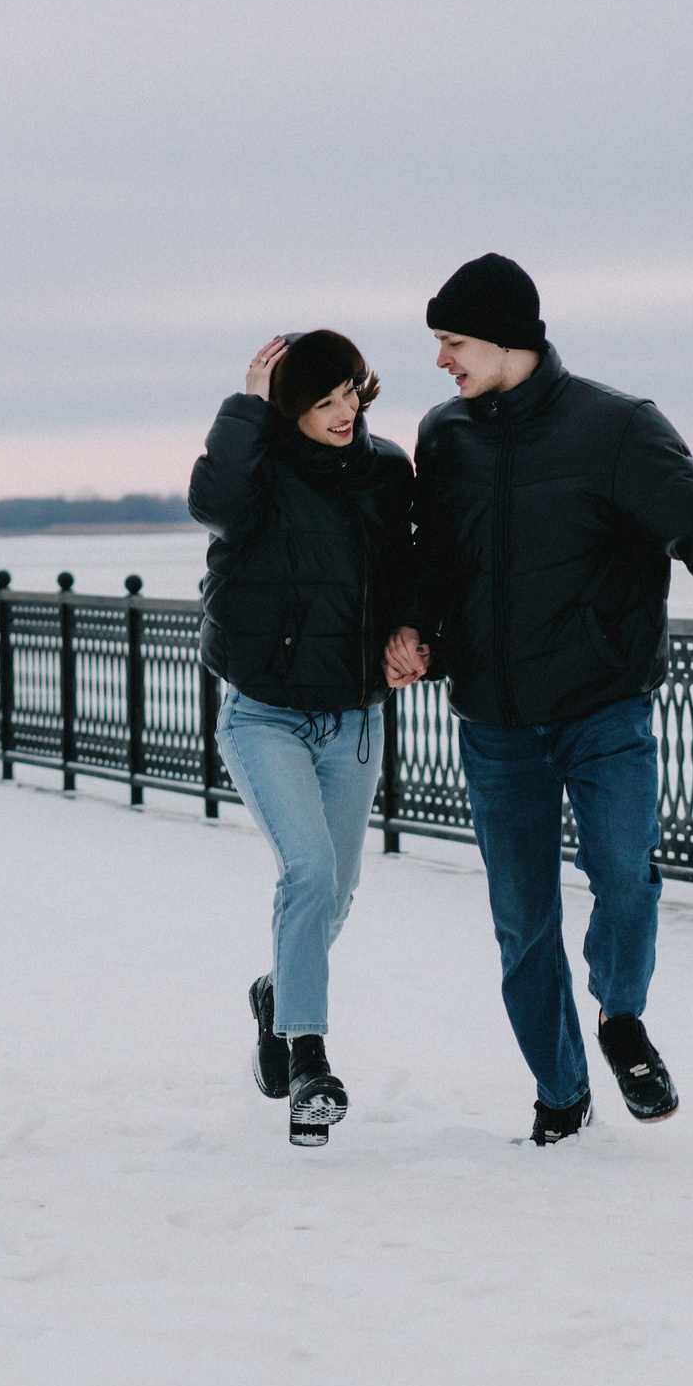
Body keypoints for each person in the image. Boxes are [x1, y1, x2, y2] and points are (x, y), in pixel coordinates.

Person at [401, 254, 693, 1145]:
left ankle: (621, 1018)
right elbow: (432, 560)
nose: (443, 360)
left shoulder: (614, 428)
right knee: (523, 925)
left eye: (453, 341)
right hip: (493, 721)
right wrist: (414, 628)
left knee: (625, 877)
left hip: (603, 709)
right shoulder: (442, 435)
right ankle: (560, 1095)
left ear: (506, 337)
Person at [190, 330, 426, 1147]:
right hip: (265, 715)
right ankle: (310, 1063)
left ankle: (276, 993)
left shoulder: (389, 470)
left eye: (351, 394)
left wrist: (412, 631)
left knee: (338, 889)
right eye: (321, 401)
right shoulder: (256, 471)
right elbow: (211, 502)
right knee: (310, 870)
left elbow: (409, 571)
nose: (342, 413)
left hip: (355, 717)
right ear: (289, 409)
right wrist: (243, 408)